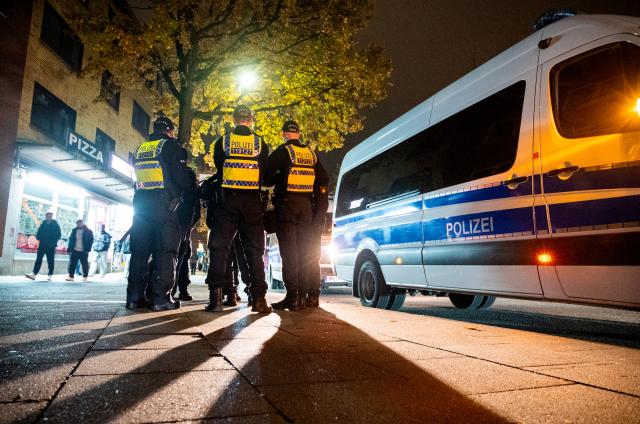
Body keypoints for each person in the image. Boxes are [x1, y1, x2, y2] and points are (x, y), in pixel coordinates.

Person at [204, 105, 271, 313]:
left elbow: (219, 166)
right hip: (252, 202)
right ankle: (259, 299)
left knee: (220, 248)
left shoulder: (223, 142)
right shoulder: (260, 143)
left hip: (227, 201)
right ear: (250, 120)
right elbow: (264, 170)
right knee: (254, 251)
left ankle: (215, 299)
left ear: (234, 120)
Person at [126, 116, 196, 311]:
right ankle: (160, 298)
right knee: (166, 251)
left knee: (139, 252)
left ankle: (134, 297)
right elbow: (182, 180)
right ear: (170, 131)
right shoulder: (172, 148)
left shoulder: (141, 149)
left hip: (140, 207)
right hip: (164, 208)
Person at [264, 119, 329, 311]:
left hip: (287, 207)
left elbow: (266, 175)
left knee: (290, 253)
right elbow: (324, 178)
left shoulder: (283, 151)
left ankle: (293, 298)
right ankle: (309, 297)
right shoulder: (310, 154)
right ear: (299, 134)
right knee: (307, 253)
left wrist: (278, 178)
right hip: (307, 208)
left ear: (284, 134)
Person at [171, 168, 201, 301]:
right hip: (184, 230)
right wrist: (189, 226)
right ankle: (181, 290)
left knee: (170, 258)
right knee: (181, 261)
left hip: (171, 227)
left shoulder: (173, 184)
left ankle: (169, 291)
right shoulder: (192, 191)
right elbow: (197, 212)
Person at [305, 177, 330, 307]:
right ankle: (311, 295)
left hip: (311, 225)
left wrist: (316, 223)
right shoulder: (316, 169)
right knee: (311, 261)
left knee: (310, 260)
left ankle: (310, 295)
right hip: (313, 223)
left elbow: (322, 204)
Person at [26, 212, 61, 281]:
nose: (48, 217)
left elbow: (59, 235)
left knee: (50, 261)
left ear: (52, 217)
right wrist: (39, 238)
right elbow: (38, 233)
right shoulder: (43, 224)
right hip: (42, 245)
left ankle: (50, 274)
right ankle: (34, 274)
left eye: (50, 216)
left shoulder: (55, 225)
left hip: (51, 246)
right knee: (38, 260)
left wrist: (53, 242)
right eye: (47, 216)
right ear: (46, 217)